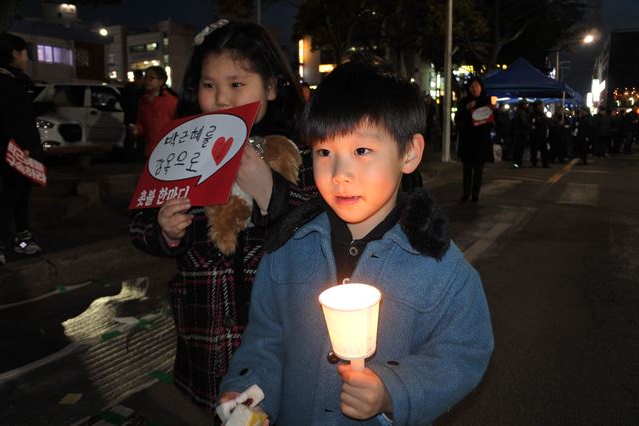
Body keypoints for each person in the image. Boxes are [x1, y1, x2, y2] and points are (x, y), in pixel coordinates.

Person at [219, 60, 494, 425]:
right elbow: (265, 339)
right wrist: (249, 391)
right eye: (324, 152)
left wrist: (393, 389)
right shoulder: (288, 249)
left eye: (362, 151)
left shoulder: (441, 268)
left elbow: (463, 352)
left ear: (409, 153)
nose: (340, 175)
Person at [129, 20, 315, 416]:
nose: (222, 99)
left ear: (269, 86)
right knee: (227, 414)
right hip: (205, 335)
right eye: (209, 85)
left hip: (280, 338)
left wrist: (270, 191)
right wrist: (163, 231)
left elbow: (320, 226)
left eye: (236, 83)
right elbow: (139, 224)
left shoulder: (300, 151)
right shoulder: (180, 152)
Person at [0, 33, 44, 266]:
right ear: (14, 54)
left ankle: (22, 239)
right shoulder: (6, 82)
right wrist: (22, 146)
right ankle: (8, 243)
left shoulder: (15, 81)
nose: (27, 57)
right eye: (25, 52)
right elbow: (10, 119)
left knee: (19, 196)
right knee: (10, 197)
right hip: (13, 152)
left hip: (17, 151)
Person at [456, 76, 494, 203]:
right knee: (467, 168)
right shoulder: (464, 101)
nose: (474, 89)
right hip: (468, 140)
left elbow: (493, 122)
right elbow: (457, 118)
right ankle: (465, 193)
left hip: (481, 140)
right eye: (472, 86)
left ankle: (475, 194)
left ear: (481, 87)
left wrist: (493, 111)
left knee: (479, 169)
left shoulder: (486, 101)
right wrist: (466, 108)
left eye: (477, 86)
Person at [129, 65, 178, 158]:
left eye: (152, 78)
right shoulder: (143, 100)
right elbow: (142, 124)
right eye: (146, 77)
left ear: (161, 81)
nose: (147, 80)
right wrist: (136, 129)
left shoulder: (171, 101)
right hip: (150, 149)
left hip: (168, 149)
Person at [120, 69, 145, 162]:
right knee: (138, 138)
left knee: (130, 137)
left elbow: (122, 102)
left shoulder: (129, 87)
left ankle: (129, 157)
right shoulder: (141, 89)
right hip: (136, 116)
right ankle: (135, 157)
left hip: (131, 116)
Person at [529, 100, 550, 168]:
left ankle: (545, 163)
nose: (542, 107)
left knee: (544, 150)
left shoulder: (542, 114)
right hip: (535, 135)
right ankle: (534, 162)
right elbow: (532, 124)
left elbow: (546, 122)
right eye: (541, 105)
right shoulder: (533, 114)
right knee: (534, 149)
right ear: (538, 106)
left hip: (543, 134)